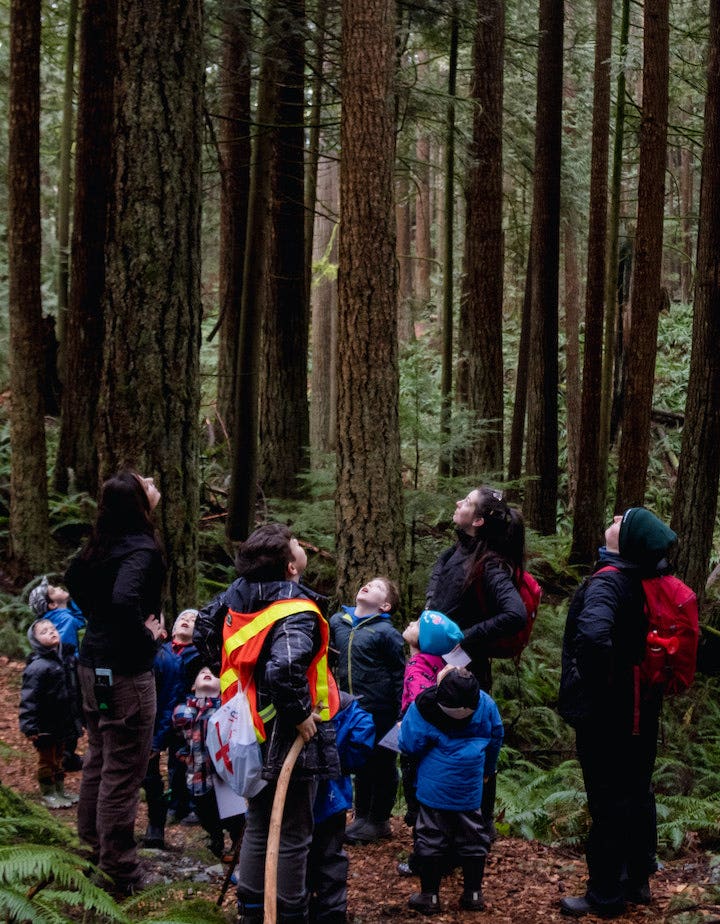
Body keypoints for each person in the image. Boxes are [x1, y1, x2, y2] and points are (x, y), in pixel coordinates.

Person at [193, 522, 340, 924]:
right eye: (296, 544)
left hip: (246, 728)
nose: (300, 545)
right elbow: (286, 668)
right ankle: (288, 913)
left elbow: (204, 630)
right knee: (292, 831)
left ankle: (252, 911)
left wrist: (245, 677)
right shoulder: (295, 608)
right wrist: (298, 715)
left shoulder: (235, 595)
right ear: (291, 567)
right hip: (284, 736)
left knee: (259, 821)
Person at [558, 507, 678, 919]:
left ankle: (605, 894)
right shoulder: (648, 578)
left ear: (625, 543)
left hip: (610, 714)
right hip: (642, 706)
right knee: (637, 790)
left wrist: (592, 685)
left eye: (617, 522)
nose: (609, 521)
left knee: (607, 800)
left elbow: (593, 637)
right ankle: (637, 879)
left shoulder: (608, 584)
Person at [65, 469, 166, 896]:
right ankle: (118, 870)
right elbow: (126, 598)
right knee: (123, 771)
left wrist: (101, 620)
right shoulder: (141, 550)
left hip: (92, 668)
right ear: (137, 502)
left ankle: (88, 850)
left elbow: (74, 580)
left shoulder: (99, 546)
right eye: (145, 483)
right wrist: (147, 633)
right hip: (125, 676)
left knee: (99, 760)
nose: (152, 483)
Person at [426, 488, 526, 835]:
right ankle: (441, 831)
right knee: (439, 746)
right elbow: (436, 599)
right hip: (436, 668)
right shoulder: (451, 555)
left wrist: (462, 636)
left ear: (479, 521)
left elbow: (515, 613)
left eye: (466, 503)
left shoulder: (490, 566)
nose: (457, 504)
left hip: (468, 674)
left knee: (469, 747)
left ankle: (474, 831)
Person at [398, 666, 504, 915]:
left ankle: (430, 897)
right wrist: (488, 769)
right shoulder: (485, 704)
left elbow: (408, 744)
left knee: (430, 838)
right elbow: (496, 734)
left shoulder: (424, 707)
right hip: (469, 788)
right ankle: (473, 894)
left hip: (434, 789)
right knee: (473, 837)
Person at [329, 577, 405, 844]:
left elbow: (399, 673)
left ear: (384, 605)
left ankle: (379, 819)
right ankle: (360, 817)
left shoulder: (386, 633)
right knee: (359, 759)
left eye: (378, 588)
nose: (368, 586)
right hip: (350, 708)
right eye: (368, 583)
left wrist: (401, 713)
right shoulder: (338, 623)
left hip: (381, 708)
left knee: (382, 762)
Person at [399, 609, 464, 856]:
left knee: (416, 795)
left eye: (417, 624)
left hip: (418, 743)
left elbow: (420, 702)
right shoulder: (444, 664)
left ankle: (423, 855)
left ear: (423, 640)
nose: (410, 622)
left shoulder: (418, 665)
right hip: (439, 744)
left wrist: (406, 723)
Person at [307, 691, 375, 924]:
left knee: (302, 855)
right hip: (332, 798)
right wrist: (344, 764)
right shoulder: (341, 702)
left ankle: (304, 908)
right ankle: (330, 913)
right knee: (329, 857)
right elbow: (363, 731)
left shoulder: (289, 696)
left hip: (314, 799)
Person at [172, 665, 245, 858]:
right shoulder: (183, 711)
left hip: (224, 775)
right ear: (192, 687)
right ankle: (215, 838)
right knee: (205, 812)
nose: (206, 674)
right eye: (201, 672)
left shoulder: (226, 708)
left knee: (233, 814)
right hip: (197, 773)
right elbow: (179, 734)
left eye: (212, 674)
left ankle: (238, 843)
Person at [19, 618, 83, 809]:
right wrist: (29, 726)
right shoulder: (37, 667)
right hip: (45, 724)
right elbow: (28, 699)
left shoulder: (68, 660)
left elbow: (75, 692)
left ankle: (60, 789)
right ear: (36, 641)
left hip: (64, 722)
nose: (51, 632)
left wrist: (79, 717)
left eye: (52, 628)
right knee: (47, 759)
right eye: (44, 632)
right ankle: (48, 792)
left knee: (60, 757)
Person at [28, 576, 87, 772]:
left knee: (72, 713)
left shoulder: (60, 617)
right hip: (67, 673)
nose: (58, 587)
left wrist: (70, 600)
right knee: (69, 713)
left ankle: (67, 755)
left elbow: (79, 620)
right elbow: (77, 622)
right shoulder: (59, 620)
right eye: (53, 590)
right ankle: (66, 757)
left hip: (70, 670)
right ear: (52, 604)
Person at [142, 614, 186, 849]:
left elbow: (170, 703)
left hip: (152, 731)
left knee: (151, 780)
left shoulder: (167, 660)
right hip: (126, 728)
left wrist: (157, 742)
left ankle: (155, 829)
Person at [165, 608, 202, 825]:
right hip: (166, 716)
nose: (187, 621)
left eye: (193, 620)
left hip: (191, 717)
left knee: (193, 762)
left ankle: (194, 806)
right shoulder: (162, 651)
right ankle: (175, 804)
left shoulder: (199, 653)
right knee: (174, 763)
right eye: (183, 618)